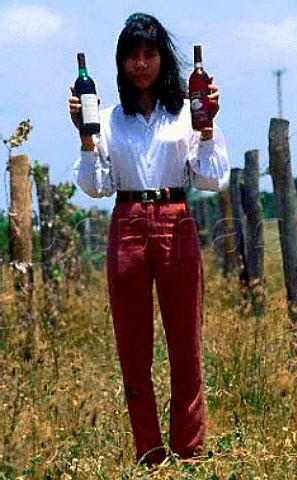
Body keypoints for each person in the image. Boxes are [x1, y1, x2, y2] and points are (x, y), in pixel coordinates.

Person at [69, 12, 230, 467]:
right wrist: (85, 138)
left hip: (176, 218)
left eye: (150, 53)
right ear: (120, 63)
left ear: (164, 59)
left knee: (185, 342)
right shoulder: (107, 118)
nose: (141, 63)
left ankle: (189, 451)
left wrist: (208, 127)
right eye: (132, 55)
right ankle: (150, 453)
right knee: (132, 345)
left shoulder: (185, 111)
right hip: (126, 222)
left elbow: (212, 178)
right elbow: (97, 186)